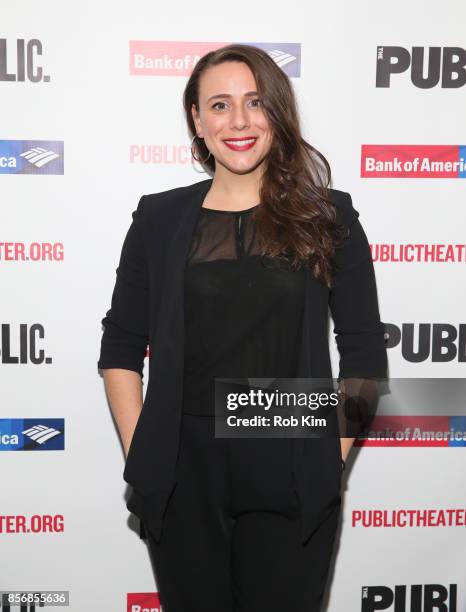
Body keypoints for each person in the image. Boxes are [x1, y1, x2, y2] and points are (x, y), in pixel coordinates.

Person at [98, 44, 387, 612]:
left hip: (293, 448)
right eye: (220, 104)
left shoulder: (330, 215)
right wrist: (148, 454)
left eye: (255, 102)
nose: (239, 121)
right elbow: (121, 348)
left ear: (277, 113)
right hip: (183, 466)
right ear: (197, 121)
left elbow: (363, 354)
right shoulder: (158, 219)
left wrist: (330, 457)